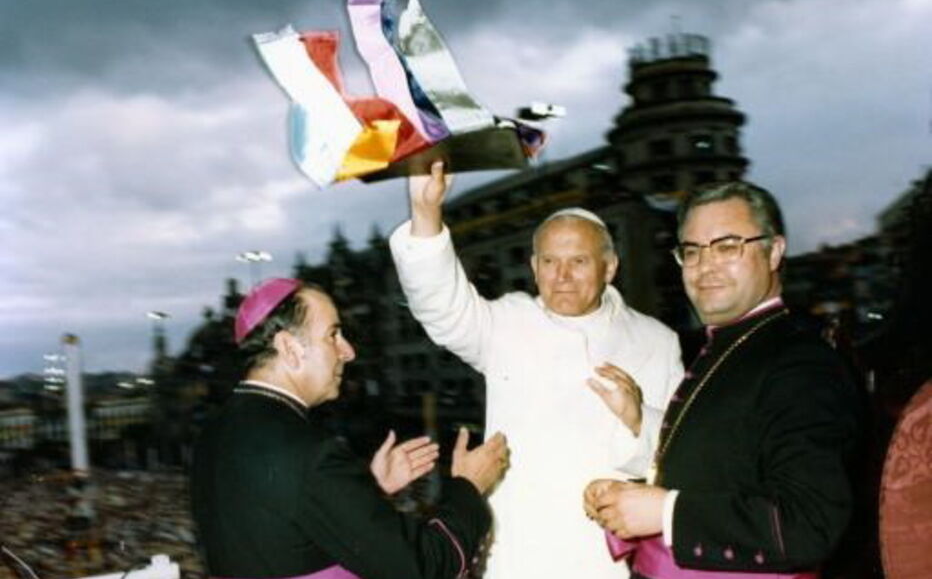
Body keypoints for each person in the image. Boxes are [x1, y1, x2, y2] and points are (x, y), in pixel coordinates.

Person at [389, 162, 684, 578]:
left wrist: (638, 419)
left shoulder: (657, 341)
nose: (561, 276)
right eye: (549, 261)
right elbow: (442, 308)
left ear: (610, 267)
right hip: (520, 556)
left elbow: (675, 457)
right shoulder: (507, 323)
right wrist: (425, 213)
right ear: (534, 267)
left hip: (605, 561)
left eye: (578, 261)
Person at [584, 181, 860, 578]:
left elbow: (808, 524)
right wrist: (630, 494)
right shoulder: (727, 342)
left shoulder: (800, 361)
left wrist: (664, 511)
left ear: (774, 251)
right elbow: (723, 462)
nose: (705, 266)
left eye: (728, 246)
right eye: (692, 251)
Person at [191, 278, 509, 579]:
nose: (348, 351)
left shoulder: (215, 432)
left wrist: (367, 488)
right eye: (333, 335)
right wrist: (468, 487)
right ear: (289, 348)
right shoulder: (311, 453)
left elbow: (281, 528)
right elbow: (420, 566)